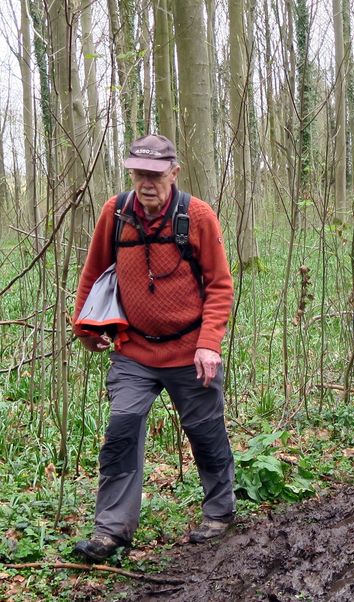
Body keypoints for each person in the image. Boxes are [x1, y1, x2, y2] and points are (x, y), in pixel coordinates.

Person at [71, 134, 236, 561]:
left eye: (155, 174)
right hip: (134, 350)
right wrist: (85, 326)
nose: (146, 183)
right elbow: (93, 273)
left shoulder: (197, 216)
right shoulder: (116, 211)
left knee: (205, 431)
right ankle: (111, 531)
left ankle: (219, 512)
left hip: (190, 350)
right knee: (121, 430)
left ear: (173, 172)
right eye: (139, 173)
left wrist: (209, 344)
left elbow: (220, 285)